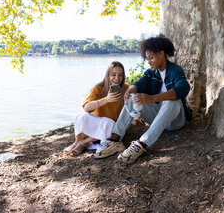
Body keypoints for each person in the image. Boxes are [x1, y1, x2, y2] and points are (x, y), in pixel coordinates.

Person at [93, 35, 191, 164]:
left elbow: (183, 88)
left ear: (161, 54)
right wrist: (131, 89)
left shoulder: (175, 70)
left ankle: (142, 144)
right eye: (147, 59)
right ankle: (114, 141)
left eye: (151, 57)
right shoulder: (151, 73)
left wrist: (152, 98)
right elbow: (139, 83)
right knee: (132, 99)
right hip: (157, 119)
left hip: (175, 120)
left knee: (172, 99)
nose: (149, 61)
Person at [64, 61, 129, 156]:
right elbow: (86, 108)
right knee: (82, 116)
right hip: (98, 124)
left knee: (109, 123)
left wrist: (135, 118)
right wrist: (106, 99)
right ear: (108, 75)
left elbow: (130, 107)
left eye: (120, 75)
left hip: (113, 127)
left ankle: (83, 143)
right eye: (113, 75)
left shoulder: (126, 88)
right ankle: (76, 142)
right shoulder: (99, 88)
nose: (117, 78)